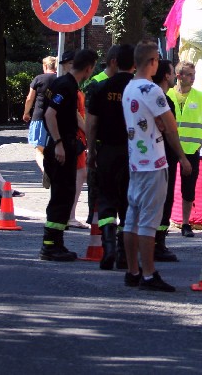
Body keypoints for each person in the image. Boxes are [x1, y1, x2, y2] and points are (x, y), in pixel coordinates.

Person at [121, 41, 192, 292]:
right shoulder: (151, 90)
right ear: (152, 62)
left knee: (132, 218)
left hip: (136, 160)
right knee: (149, 220)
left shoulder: (129, 88)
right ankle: (149, 274)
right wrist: (182, 157)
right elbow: (169, 125)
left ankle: (132, 270)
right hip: (154, 160)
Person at [39, 48, 98, 262]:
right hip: (61, 149)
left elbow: (69, 114)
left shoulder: (64, 84)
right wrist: (58, 144)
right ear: (89, 68)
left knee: (64, 195)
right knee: (61, 197)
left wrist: (88, 133)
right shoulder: (66, 86)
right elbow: (50, 114)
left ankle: (57, 243)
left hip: (66, 146)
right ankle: (50, 246)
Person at [85, 44, 134, 270]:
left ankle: (108, 247)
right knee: (127, 201)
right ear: (134, 64)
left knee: (105, 199)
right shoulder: (140, 89)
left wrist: (91, 151)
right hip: (132, 153)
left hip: (106, 151)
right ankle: (124, 253)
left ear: (114, 61)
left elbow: (91, 124)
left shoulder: (101, 88)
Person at [166, 61, 202, 238]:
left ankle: (186, 223)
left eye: (194, 74)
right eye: (189, 74)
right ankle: (164, 221)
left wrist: (200, 141)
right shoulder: (167, 94)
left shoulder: (200, 96)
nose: (193, 78)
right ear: (179, 76)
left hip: (191, 148)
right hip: (170, 147)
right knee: (166, 186)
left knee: (188, 187)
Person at [153, 59, 181, 262]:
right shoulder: (164, 99)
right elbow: (170, 130)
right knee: (164, 200)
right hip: (164, 157)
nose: (175, 76)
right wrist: (182, 156)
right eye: (172, 73)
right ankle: (158, 243)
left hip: (150, 156)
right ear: (166, 75)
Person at [59, 49, 90, 228]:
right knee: (78, 176)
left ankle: (69, 214)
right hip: (76, 138)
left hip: (76, 138)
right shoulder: (69, 87)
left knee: (78, 175)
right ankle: (69, 215)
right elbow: (76, 114)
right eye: (69, 64)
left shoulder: (71, 87)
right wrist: (89, 132)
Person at [23, 55, 58, 187]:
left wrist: (26, 113)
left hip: (39, 117)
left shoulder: (38, 79)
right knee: (54, 149)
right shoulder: (60, 79)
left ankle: (46, 171)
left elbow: (29, 99)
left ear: (45, 66)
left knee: (39, 150)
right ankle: (55, 175)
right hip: (55, 119)